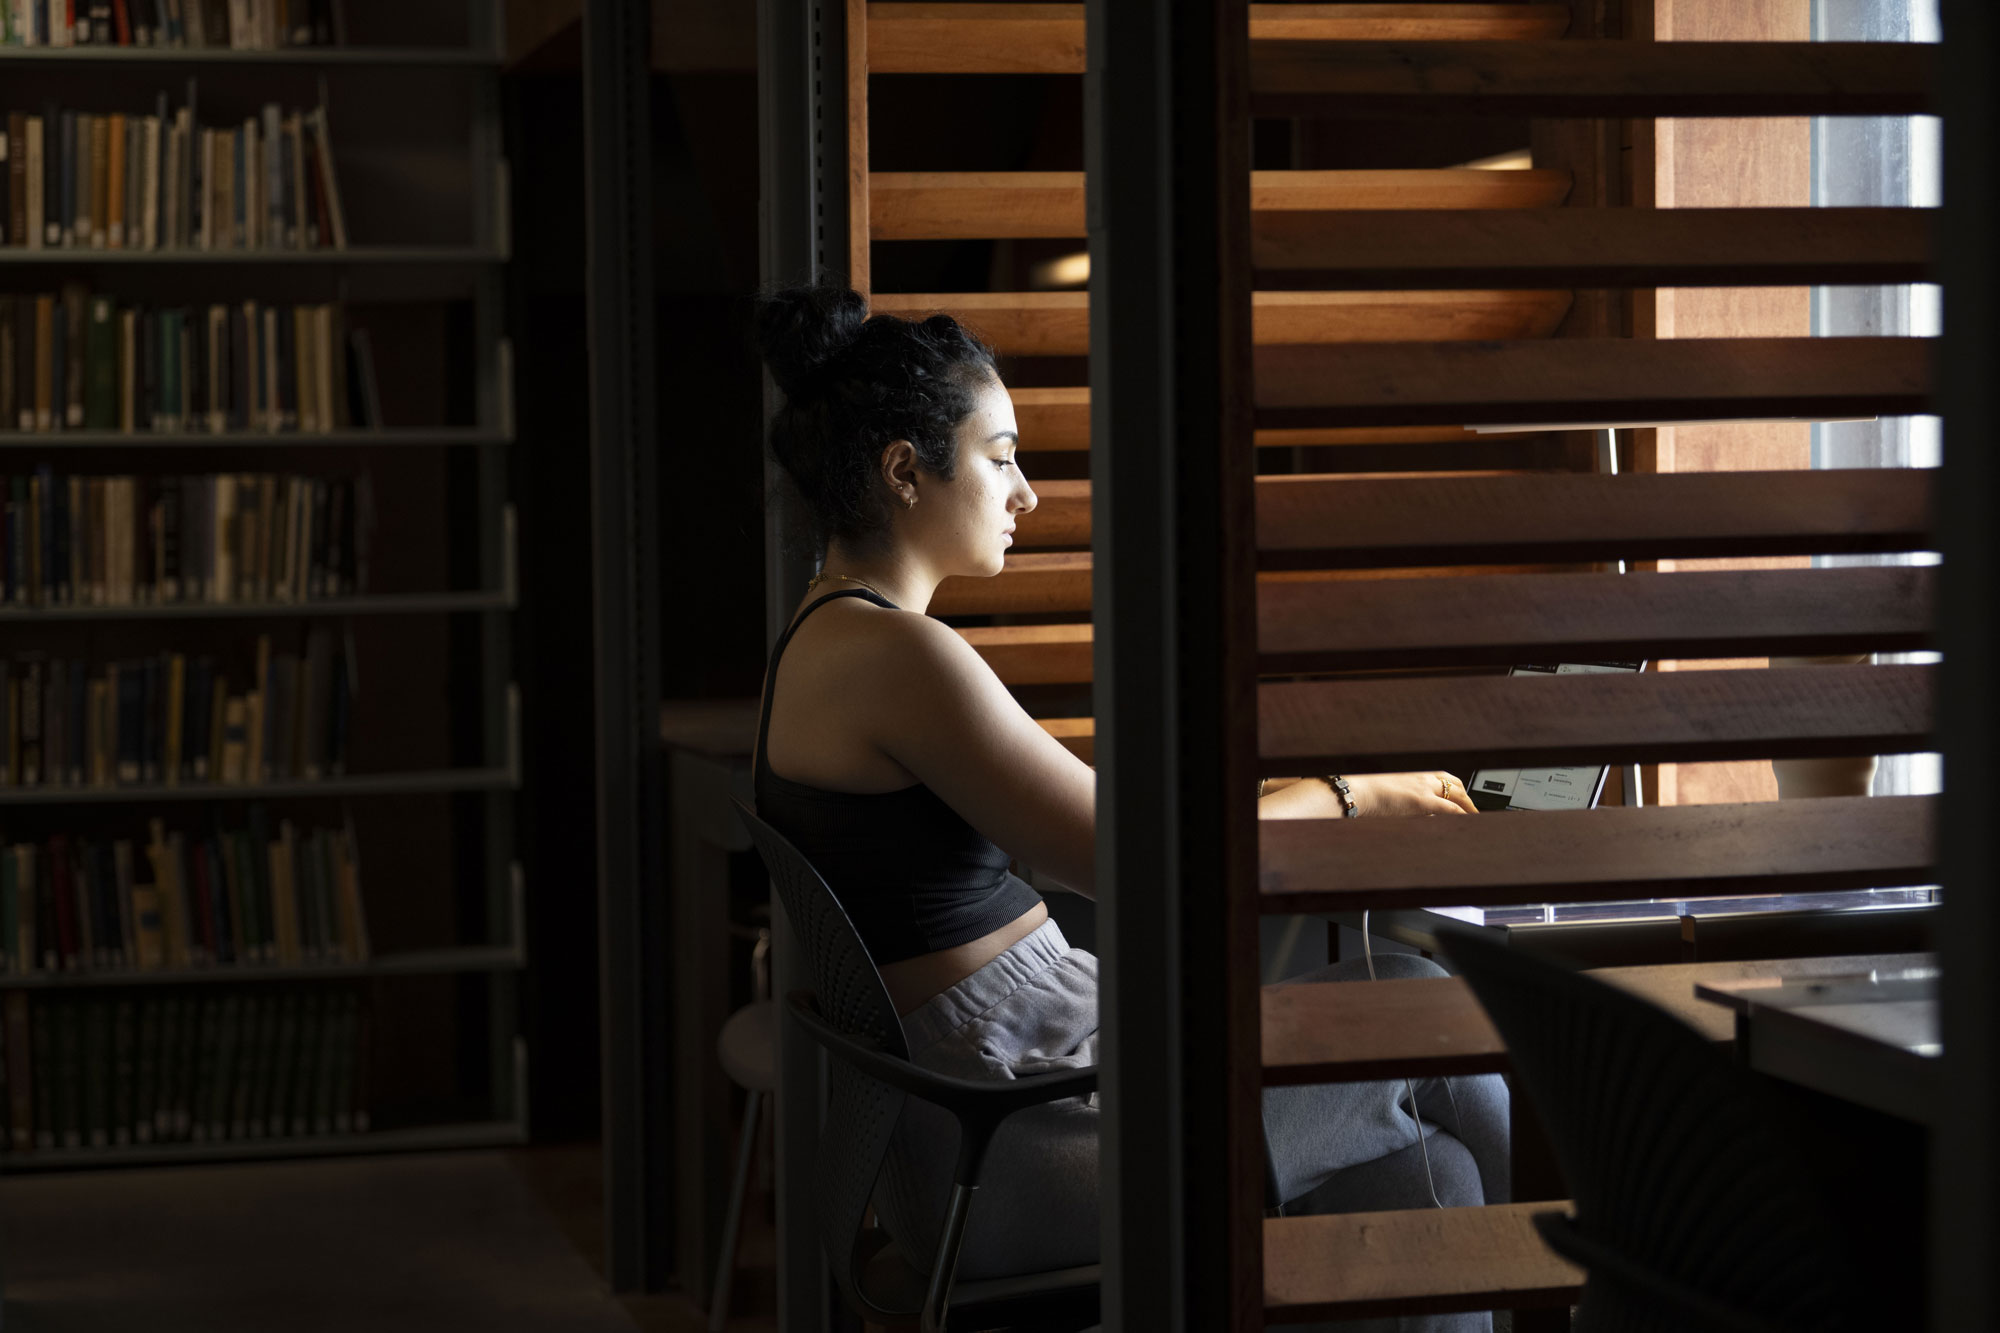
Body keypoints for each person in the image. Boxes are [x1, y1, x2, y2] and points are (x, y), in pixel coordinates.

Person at [752, 286, 1510, 1331]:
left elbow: (1112, 827)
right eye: (1002, 454)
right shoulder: (895, 655)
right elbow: (1132, 863)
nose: (1027, 492)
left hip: (1019, 1089)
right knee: (1439, 1021)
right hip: (1019, 1134)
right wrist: (1343, 795)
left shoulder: (832, 639)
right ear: (902, 470)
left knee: (1426, 1169)